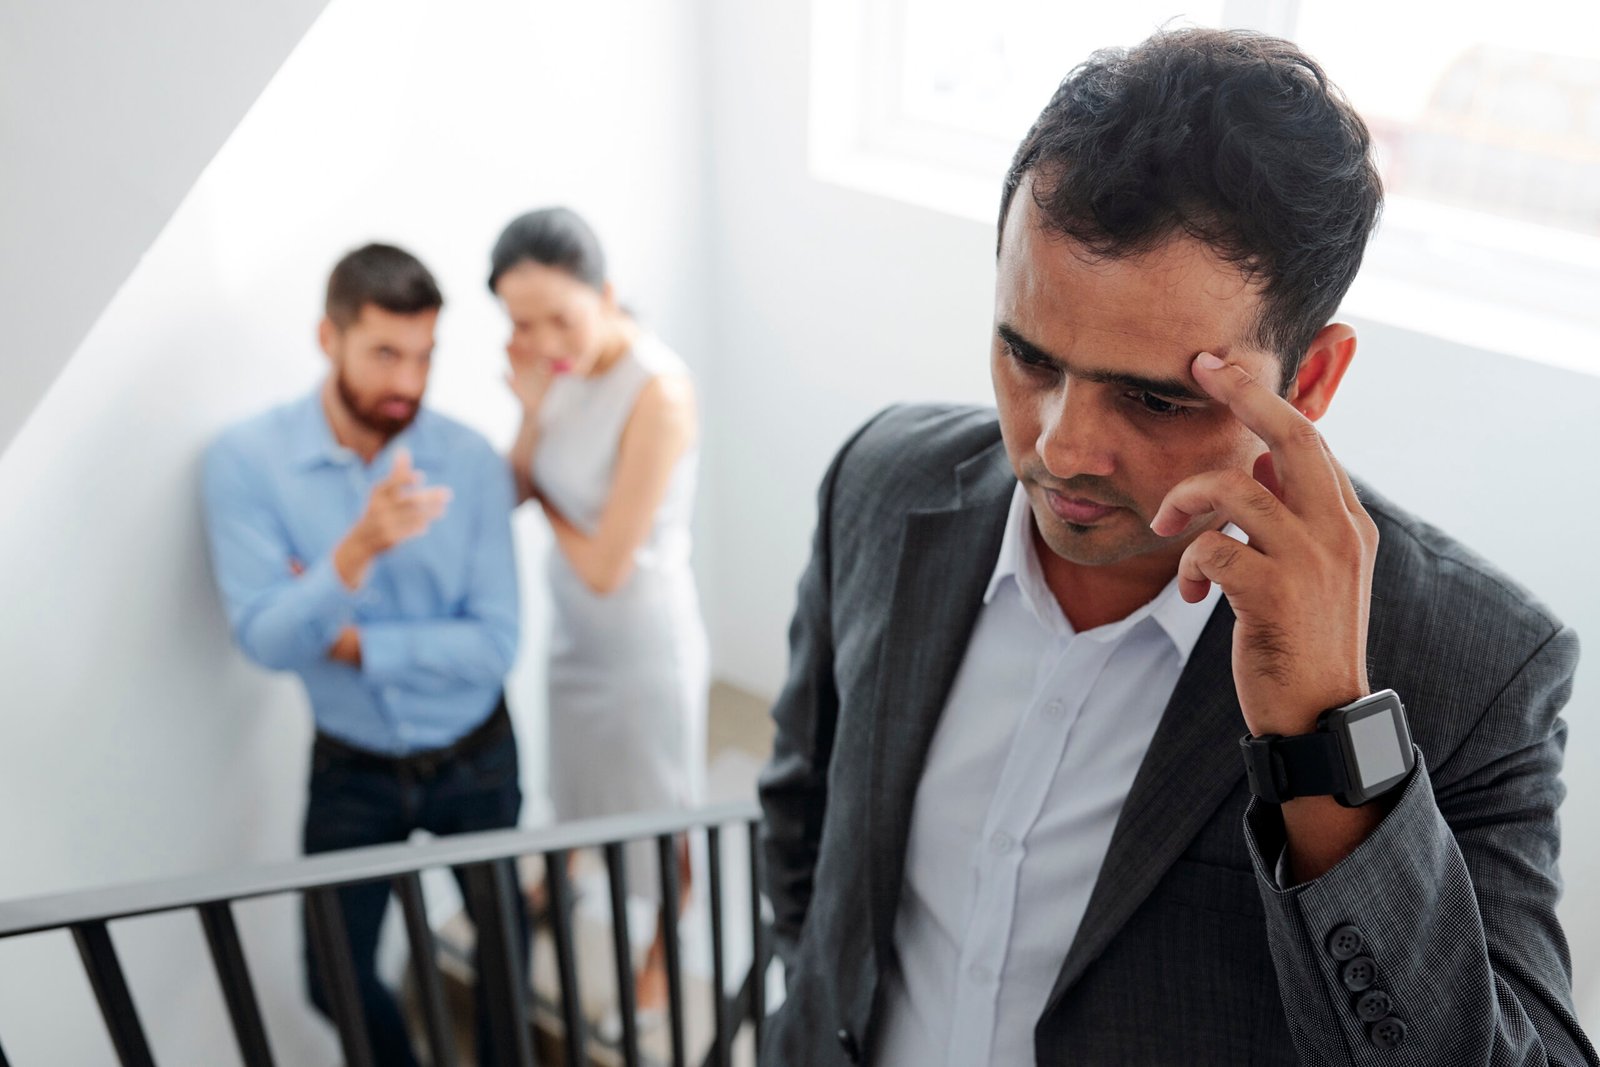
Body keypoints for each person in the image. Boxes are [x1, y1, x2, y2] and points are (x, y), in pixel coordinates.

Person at [758, 28, 1596, 1066]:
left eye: (1154, 396)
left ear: (1313, 380)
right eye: (1027, 355)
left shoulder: (1472, 663)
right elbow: (804, 824)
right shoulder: (883, 483)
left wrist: (1328, 733)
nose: (1062, 444)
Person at [201, 243, 525, 1066]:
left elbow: (493, 646)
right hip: (352, 767)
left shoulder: (470, 461)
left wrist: (352, 640)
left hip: (476, 758)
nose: (408, 384)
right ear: (328, 336)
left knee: (507, 963)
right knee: (333, 977)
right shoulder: (247, 463)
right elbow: (267, 639)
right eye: (386, 353)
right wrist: (356, 552)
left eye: (424, 356)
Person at [492, 207, 709, 1017]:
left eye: (561, 316)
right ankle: (566, 870)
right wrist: (530, 408)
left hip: (638, 643)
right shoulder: (556, 373)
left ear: (607, 293)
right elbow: (511, 484)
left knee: (661, 808)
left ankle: (662, 948)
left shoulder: (659, 391)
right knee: (574, 776)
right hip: (573, 636)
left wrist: (545, 488)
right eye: (522, 323)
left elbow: (608, 565)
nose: (546, 338)